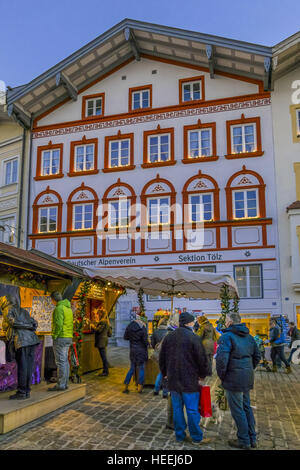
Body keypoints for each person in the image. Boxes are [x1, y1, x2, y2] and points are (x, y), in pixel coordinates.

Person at [159, 311, 211, 445]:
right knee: (192, 409)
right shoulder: (193, 338)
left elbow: (162, 358)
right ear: (189, 323)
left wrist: (165, 372)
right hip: (190, 380)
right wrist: (202, 375)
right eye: (193, 321)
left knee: (177, 409)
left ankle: (180, 435)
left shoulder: (169, 337)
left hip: (173, 379)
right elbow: (202, 359)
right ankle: (196, 437)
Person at [216, 312, 261, 450]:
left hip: (233, 377)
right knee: (246, 407)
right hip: (246, 376)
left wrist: (222, 376)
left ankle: (244, 440)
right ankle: (252, 438)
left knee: (237, 409)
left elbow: (221, 360)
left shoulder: (227, 337)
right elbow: (257, 356)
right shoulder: (249, 337)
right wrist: (248, 368)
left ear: (229, 322)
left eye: (226, 320)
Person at [2, 295, 40, 400]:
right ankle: (26, 390)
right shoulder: (23, 310)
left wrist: (26, 326)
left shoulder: (7, 309)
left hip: (22, 341)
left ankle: (22, 392)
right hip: (32, 340)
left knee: (23, 367)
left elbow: (12, 322)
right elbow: (34, 323)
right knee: (28, 366)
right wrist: (29, 326)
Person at [48, 292, 73, 391]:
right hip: (68, 337)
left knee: (60, 362)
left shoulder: (58, 309)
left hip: (61, 337)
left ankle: (61, 384)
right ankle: (65, 383)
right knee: (65, 361)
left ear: (53, 300)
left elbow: (58, 324)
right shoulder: (68, 308)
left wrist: (54, 335)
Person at [123, 312, 148, 394]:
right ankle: (140, 387)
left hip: (133, 350)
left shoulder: (130, 326)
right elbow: (145, 341)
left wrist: (133, 339)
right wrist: (148, 343)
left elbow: (125, 337)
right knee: (141, 368)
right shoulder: (143, 328)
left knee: (132, 368)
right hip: (141, 351)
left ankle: (126, 386)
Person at [151, 316, 169, 397]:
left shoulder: (155, 332)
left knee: (161, 372)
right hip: (167, 355)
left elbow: (152, 344)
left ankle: (156, 389)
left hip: (158, 355)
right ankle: (164, 392)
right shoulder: (168, 332)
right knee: (164, 373)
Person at [94, 308, 112, 377]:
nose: (97, 315)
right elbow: (109, 334)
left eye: (98, 314)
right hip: (104, 341)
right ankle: (105, 370)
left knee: (103, 357)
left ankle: (105, 371)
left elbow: (98, 330)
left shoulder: (103, 321)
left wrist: (92, 326)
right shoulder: (107, 322)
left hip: (101, 341)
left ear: (101, 314)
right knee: (104, 356)